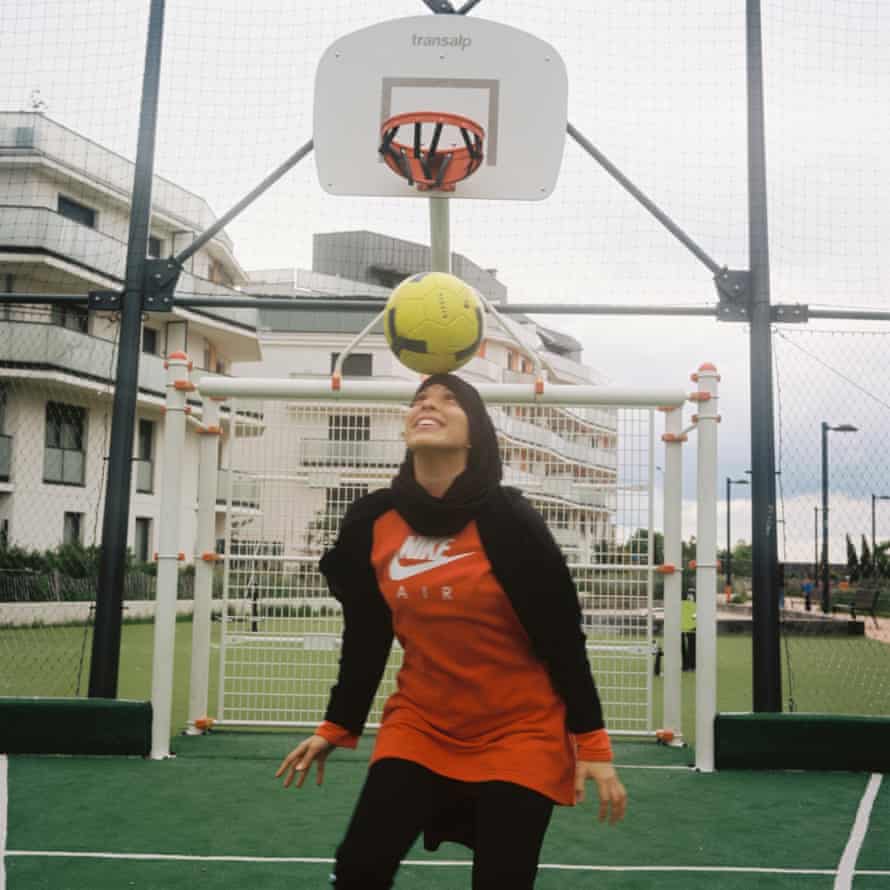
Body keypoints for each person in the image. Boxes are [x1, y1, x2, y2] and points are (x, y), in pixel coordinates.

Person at [276, 373, 627, 889]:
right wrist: (337, 725)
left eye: (448, 400)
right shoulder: (373, 521)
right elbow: (367, 635)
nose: (428, 405)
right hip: (421, 724)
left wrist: (592, 743)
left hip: (521, 731)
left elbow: (562, 638)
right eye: (420, 399)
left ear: (474, 435)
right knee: (358, 870)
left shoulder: (510, 520)